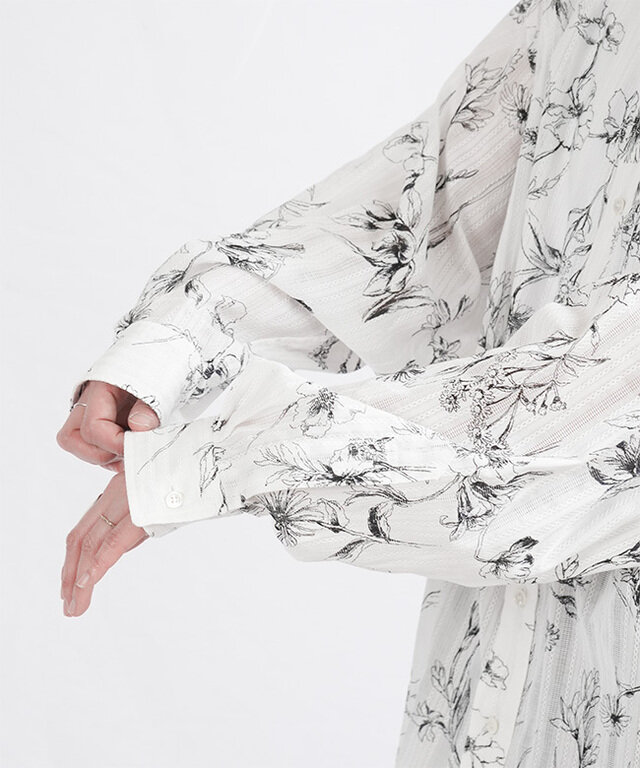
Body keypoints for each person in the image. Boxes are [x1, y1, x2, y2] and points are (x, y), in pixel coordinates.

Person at [56, 0, 640, 765]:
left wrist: (230, 452)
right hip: (493, 665)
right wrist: (177, 347)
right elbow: (426, 204)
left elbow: (593, 438)